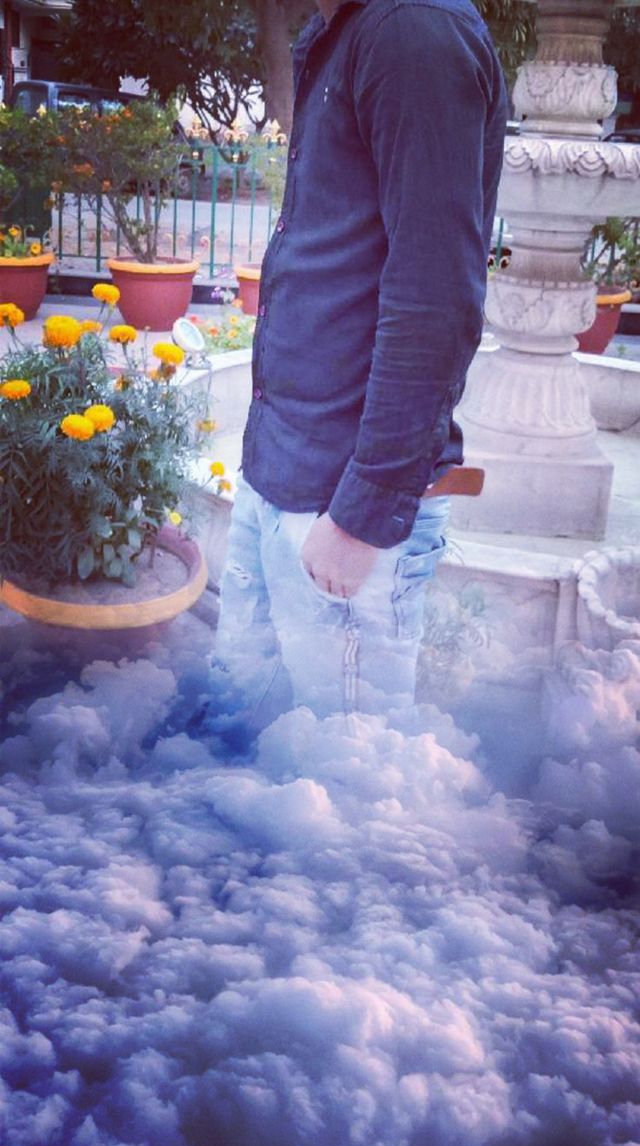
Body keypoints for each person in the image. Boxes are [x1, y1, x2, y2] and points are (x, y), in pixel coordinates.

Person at [204, 0, 507, 744]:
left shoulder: (412, 30)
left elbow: (436, 298)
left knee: (344, 781)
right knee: (238, 744)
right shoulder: (341, 28)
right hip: (281, 479)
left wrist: (362, 514)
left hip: (340, 516)